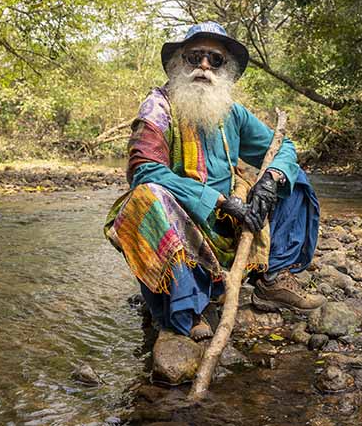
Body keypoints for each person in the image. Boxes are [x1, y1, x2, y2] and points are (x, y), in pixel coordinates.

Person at [105, 22, 324, 341]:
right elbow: (145, 170)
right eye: (195, 57)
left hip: (230, 228)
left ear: (226, 69)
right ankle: (189, 309)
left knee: (290, 176)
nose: (205, 66)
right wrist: (220, 201)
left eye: (215, 60)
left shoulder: (232, 113)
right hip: (181, 228)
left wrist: (270, 181)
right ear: (180, 63)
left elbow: (283, 146)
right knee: (147, 196)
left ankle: (272, 277)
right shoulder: (158, 108)